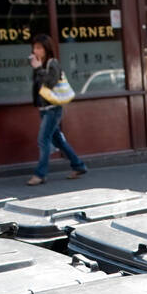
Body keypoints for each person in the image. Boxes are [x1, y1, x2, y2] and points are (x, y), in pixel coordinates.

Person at [27, 34, 87, 185]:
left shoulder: (53, 64)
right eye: (34, 47)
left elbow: (49, 83)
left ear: (47, 49)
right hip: (44, 108)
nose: (36, 51)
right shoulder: (40, 64)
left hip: (53, 108)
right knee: (58, 140)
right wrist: (37, 68)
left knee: (43, 140)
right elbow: (38, 86)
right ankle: (78, 165)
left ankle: (40, 175)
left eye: (39, 48)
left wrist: (38, 68)